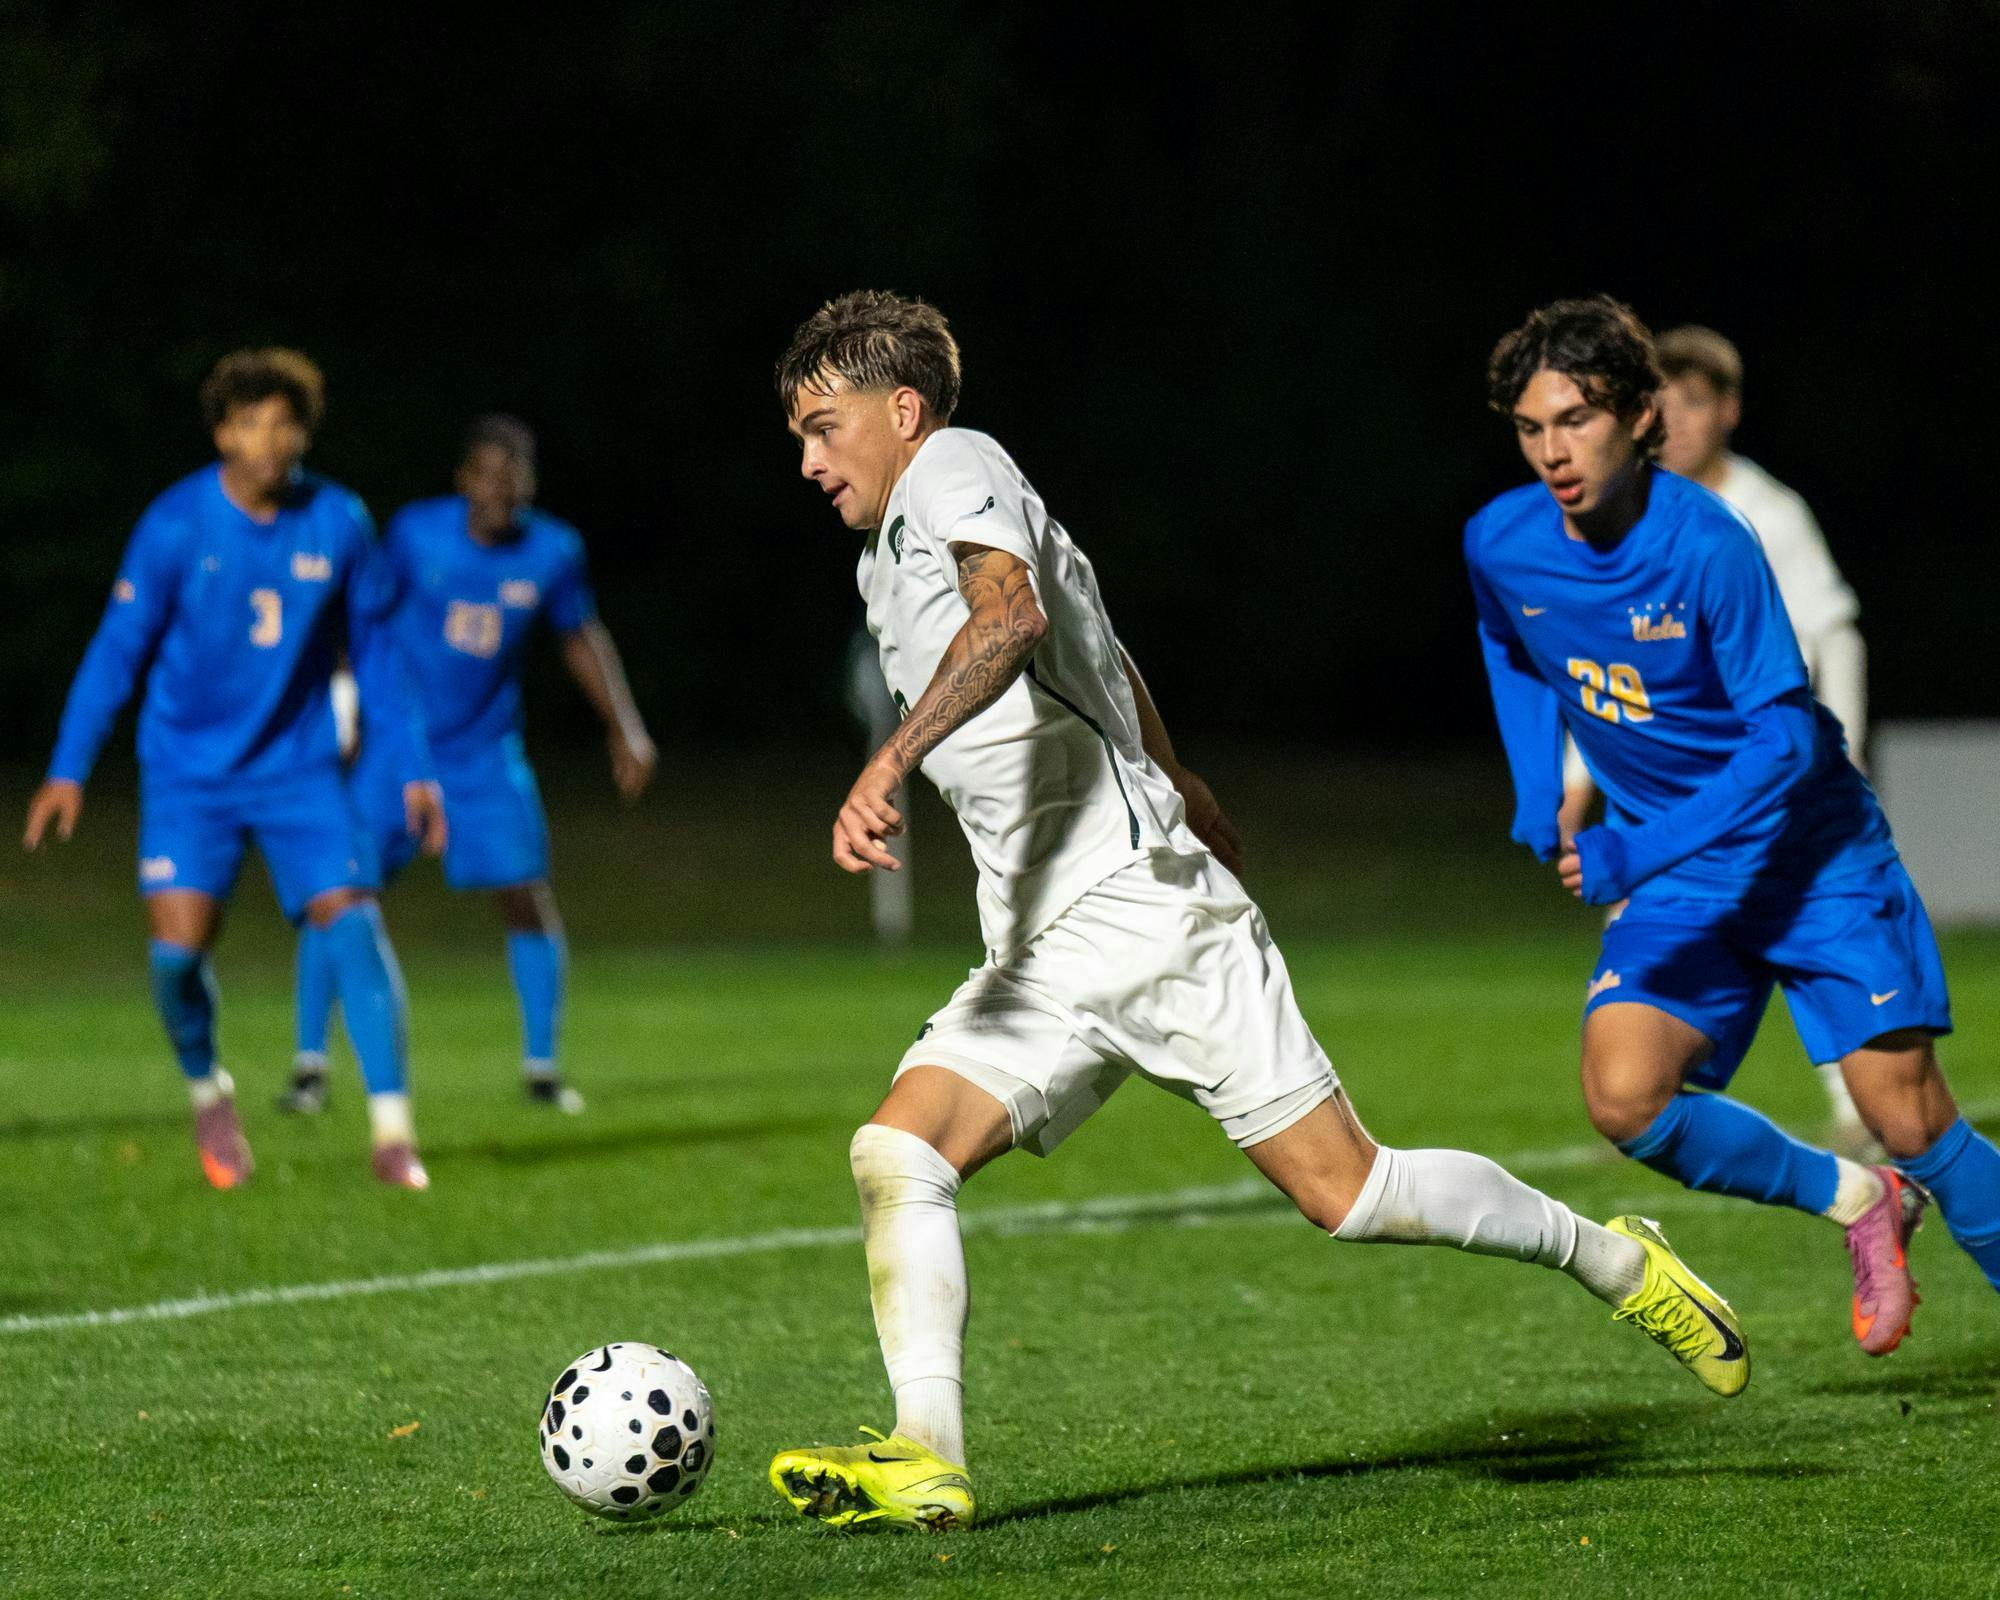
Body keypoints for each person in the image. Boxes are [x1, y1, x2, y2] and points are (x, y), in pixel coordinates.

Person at [763, 290, 1749, 1535]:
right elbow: (1099, 650)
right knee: (899, 1151)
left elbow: (1011, 617)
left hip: (1142, 915)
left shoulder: (954, 464)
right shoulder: (891, 543)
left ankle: (1614, 1260)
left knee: (1353, 1195)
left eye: (821, 424)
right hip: (1041, 946)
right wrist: (1177, 772)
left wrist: (887, 759)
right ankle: (926, 1453)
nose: (806, 458)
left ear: (899, 412)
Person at [1467, 294, 2000, 1368]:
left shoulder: (1709, 544)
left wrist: (1631, 848)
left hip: (1808, 855)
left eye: (1574, 420)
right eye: (1530, 428)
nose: (1551, 453)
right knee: (1623, 1097)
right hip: (1683, 874)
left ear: (1635, 415)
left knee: (1907, 1116)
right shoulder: (1502, 539)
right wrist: (1537, 788)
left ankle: (1905, 1182)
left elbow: (1784, 743)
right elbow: (1507, 644)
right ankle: (1856, 1200)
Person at [23, 348, 444, 1190]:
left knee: (352, 918)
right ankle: (209, 1091)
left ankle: (393, 1135)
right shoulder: (176, 524)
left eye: (285, 422)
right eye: (249, 421)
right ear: (221, 433)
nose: (269, 439)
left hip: (299, 770)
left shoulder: (339, 521)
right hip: (190, 774)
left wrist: (416, 768)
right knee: (178, 957)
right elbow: (117, 652)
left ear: (304, 434)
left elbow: (382, 656)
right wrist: (69, 767)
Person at [281, 415, 654, 1117]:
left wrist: (624, 728)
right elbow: (362, 619)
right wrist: (345, 705)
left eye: (513, 477)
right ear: (462, 480)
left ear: (529, 485)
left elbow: (579, 636)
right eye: (484, 474)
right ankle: (309, 1065)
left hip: (485, 754)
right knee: (337, 890)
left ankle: (542, 1068)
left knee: (526, 893)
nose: (498, 490)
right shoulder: (416, 533)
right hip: (400, 751)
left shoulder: (552, 550)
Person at [1558, 324, 1873, 1149]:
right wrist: (1575, 776)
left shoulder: (1771, 514)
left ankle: (1857, 1104)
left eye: (1695, 403)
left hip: (1765, 767)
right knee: (1639, 912)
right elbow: (1606, 665)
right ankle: (1650, 1085)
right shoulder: (1627, 513)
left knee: (1809, 922)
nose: (1678, 421)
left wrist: (1851, 747)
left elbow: (1834, 633)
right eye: (1661, 401)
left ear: (1727, 412)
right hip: (1663, 771)